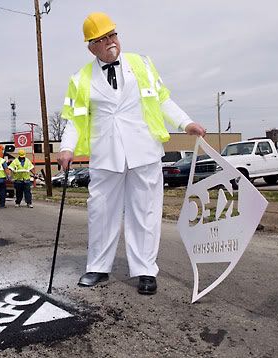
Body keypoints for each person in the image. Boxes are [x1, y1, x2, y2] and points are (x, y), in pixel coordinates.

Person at [57, 12, 206, 295]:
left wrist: (185, 123)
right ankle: (98, 267)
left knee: (145, 211)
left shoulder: (142, 64)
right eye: (102, 39)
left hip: (144, 150)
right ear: (91, 47)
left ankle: (145, 271)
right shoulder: (80, 79)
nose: (110, 42)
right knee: (100, 212)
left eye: (112, 35)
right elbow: (75, 120)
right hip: (105, 154)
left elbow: (163, 101)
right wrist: (66, 148)